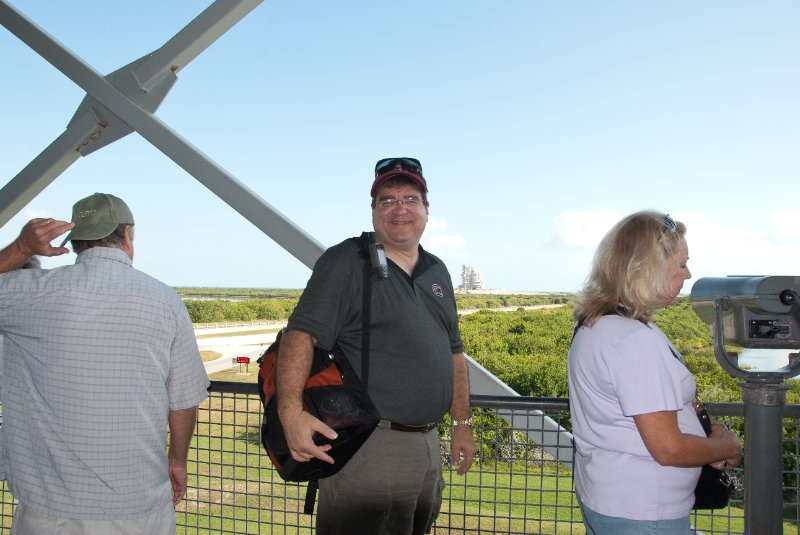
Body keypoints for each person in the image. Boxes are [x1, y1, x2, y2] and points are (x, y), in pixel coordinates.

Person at [276, 157, 475, 534]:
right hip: (371, 447)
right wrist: (290, 412)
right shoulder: (347, 261)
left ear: (427, 212)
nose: (400, 209)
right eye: (387, 200)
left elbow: (453, 353)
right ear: (373, 213)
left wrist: (462, 424)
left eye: (411, 199)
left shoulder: (438, 271)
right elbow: (300, 334)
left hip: (428, 444)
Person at [0, 193, 210, 535]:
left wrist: (21, 249)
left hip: (51, 513)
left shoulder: (30, 293)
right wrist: (177, 460)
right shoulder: (166, 301)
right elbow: (184, 401)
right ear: (128, 235)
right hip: (141, 509)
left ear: (76, 242)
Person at [567, 210, 743, 534]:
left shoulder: (599, 326)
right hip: (645, 513)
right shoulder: (632, 340)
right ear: (650, 269)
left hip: (613, 501)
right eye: (682, 264)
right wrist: (726, 447)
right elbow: (669, 447)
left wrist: (709, 428)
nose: (688, 275)